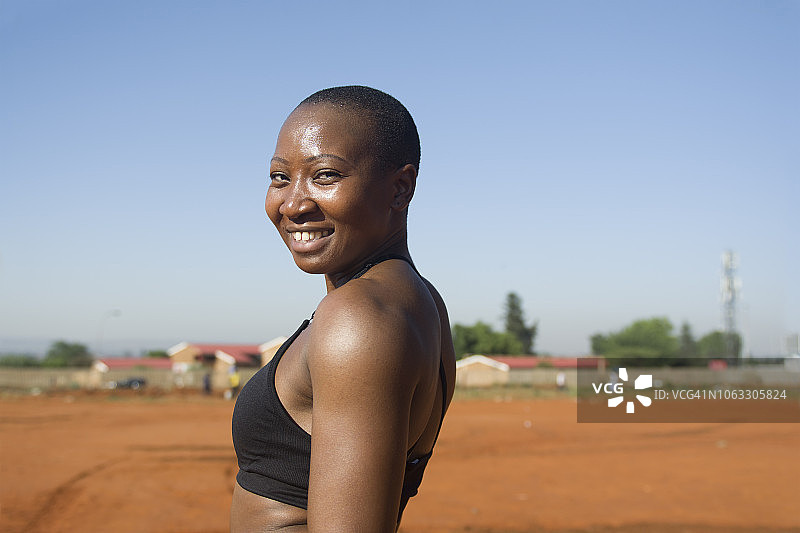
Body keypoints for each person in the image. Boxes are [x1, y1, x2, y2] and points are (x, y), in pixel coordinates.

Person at [231, 86, 455, 532]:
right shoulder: (418, 300)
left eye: (325, 175)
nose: (292, 204)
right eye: (280, 177)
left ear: (399, 188)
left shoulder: (360, 317)